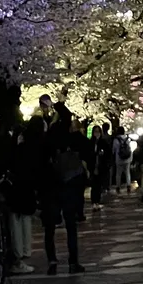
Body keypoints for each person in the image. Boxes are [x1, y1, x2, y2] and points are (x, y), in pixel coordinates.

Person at [38, 115, 87, 275]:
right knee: (71, 227)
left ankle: (52, 260)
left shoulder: (45, 148)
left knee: (49, 229)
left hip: (50, 192)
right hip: (68, 191)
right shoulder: (71, 149)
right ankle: (73, 261)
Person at [5, 127, 37, 273]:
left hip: (15, 192)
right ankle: (25, 251)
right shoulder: (31, 152)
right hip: (26, 192)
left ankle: (19, 253)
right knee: (25, 221)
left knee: (15, 223)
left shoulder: (12, 151)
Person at [111, 125, 132, 192]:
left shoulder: (116, 140)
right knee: (127, 172)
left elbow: (113, 150)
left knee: (118, 173)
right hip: (127, 159)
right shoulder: (127, 139)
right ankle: (128, 185)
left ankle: (118, 186)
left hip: (119, 159)